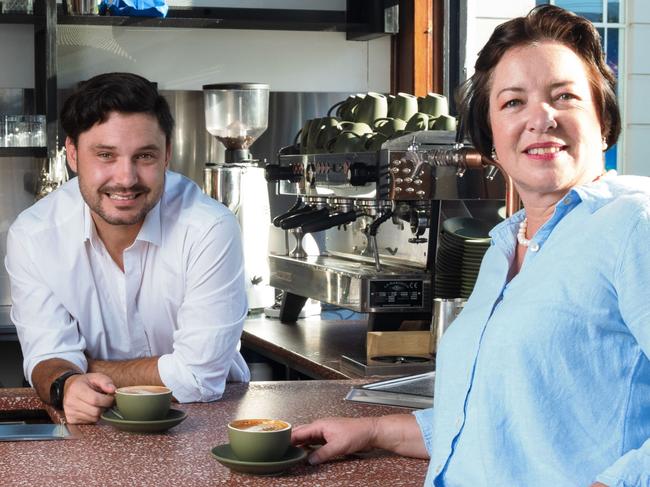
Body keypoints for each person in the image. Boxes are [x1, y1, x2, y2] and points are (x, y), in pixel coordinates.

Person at [292, 5, 650, 486]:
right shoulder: (508, 245)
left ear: (602, 120)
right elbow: (495, 429)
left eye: (564, 96)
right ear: (491, 137)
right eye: (512, 103)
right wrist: (372, 430)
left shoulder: (633, 222)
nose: (540, 118)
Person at [4, 73, 250, 424]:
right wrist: (66, 383)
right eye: (105, 155)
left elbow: (198, 378)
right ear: (72, 154)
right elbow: (46, 358)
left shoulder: (209, 228)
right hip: (93, 426)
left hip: (202, 422)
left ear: (167, 155)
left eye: (144, 156)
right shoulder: (34, 235)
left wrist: (81, 368)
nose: (126, 178)